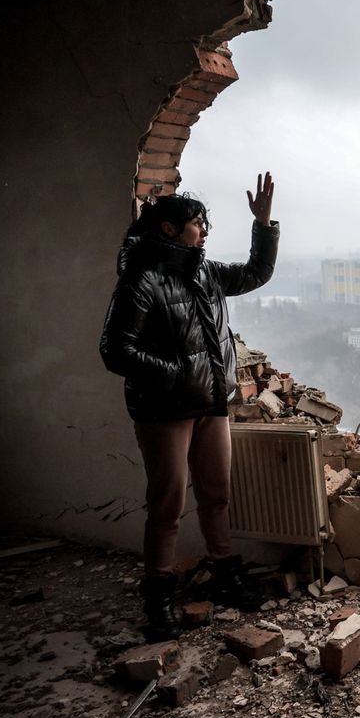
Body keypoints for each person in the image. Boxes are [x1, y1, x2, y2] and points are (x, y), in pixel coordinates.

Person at [100, 173, 279, 641]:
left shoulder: (205, 271)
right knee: (167, 503)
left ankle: (225, 575)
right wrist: (179, 373)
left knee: (216, 494)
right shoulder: (141, 280)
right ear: (168, 229)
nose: (205, 230)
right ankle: (158, 597)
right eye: (198, 223)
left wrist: (263, 225)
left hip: (211, 404)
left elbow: (256, 273)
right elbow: (116, 351)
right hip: (165, 410)